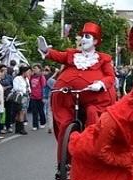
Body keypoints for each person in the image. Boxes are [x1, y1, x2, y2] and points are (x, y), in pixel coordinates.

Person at [37, 22, 117, 162]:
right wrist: (46, 51)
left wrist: (100, 83)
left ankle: (93, 148)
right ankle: (65, 160)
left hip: (94, 97)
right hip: (69, 95)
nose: (84, 39)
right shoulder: (72, 55)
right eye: (83, 36)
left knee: (92, 113)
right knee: (65, 123)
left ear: (96, 41)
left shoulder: (103, 58)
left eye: (88, 36)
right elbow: (58, 56)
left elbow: (110, 76)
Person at [11, 66, 32, 135]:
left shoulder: (26, 79)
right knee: (21, 112)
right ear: (24, 72)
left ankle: (18, 128)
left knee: (21, 112)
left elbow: (28, 87)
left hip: (26, 97)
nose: (29, 73)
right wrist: (24, 90)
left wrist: (29, 90)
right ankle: (21, 128)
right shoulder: (17, 78)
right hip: (20, 97)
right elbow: (16, 88)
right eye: (28, 71)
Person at [29, 64, 47, 131]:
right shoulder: (32, 76)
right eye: (34, 68)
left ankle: (42, 122)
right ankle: (35, 125)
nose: (34, 69)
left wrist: (43, 96)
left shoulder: (41, 77)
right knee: (34, 111)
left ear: (39, 69)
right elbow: (30, 85)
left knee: (41, 110)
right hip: (33, 96)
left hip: (40, 97)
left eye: (36, 68)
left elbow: (44, 86)